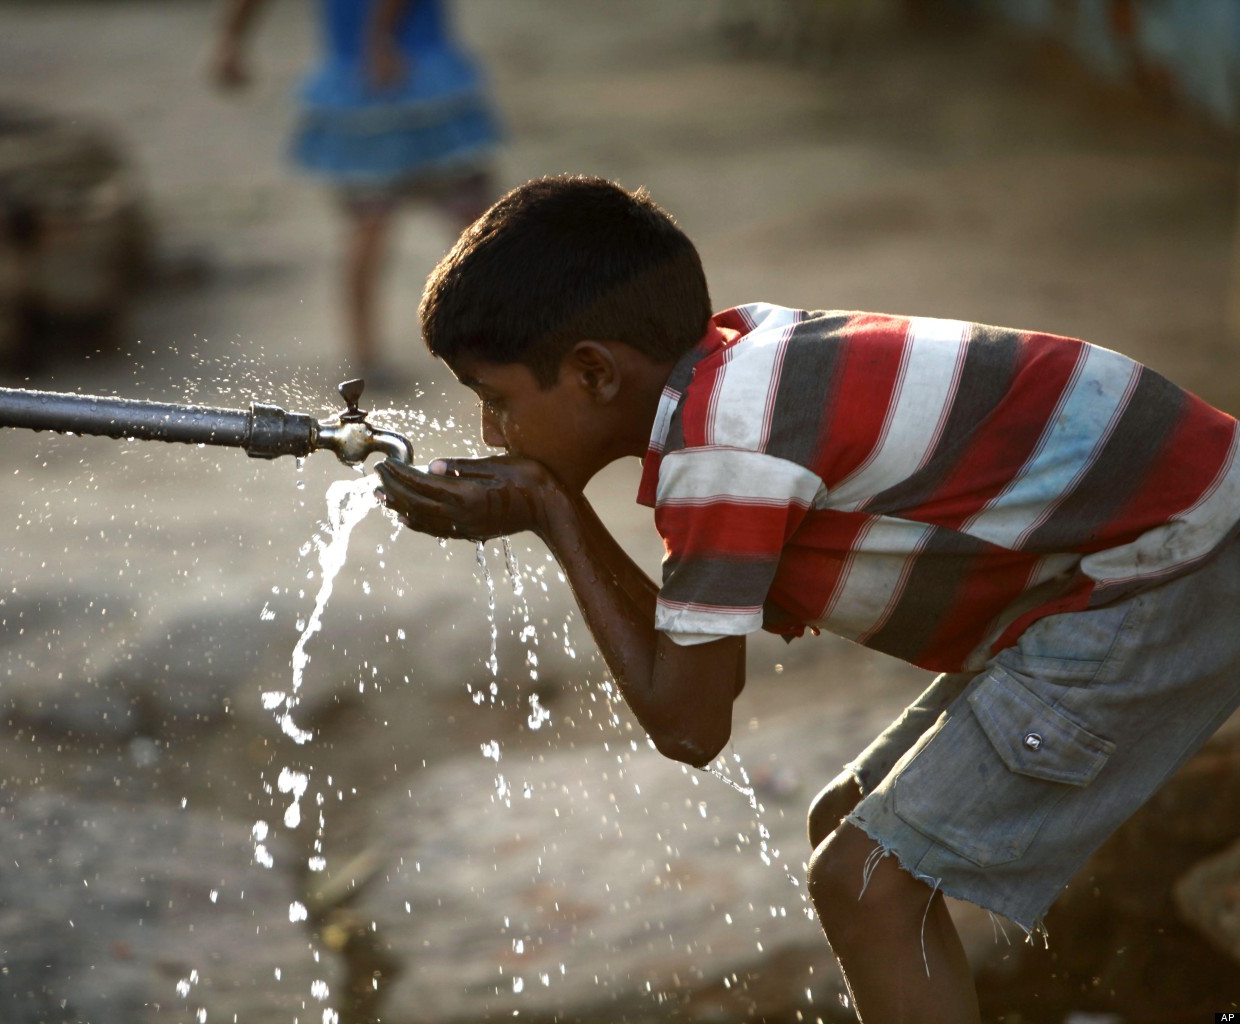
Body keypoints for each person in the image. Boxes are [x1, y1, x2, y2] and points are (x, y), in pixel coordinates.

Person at [373, 174, 1240, 1023]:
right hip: (1146, 547)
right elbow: (688, 661)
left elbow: (689, 723)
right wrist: (550, 508)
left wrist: (553, 515)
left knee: (866, 884)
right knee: (850, 831)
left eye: (496, 400)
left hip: (1175, 564)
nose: (492, 432)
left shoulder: (727, 448)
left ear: (596, 373)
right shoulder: (732, 369)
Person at [213, 0, 501, 386]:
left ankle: (369, 356)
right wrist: (379, 40)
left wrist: (231, 42)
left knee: (385, 225)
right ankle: (509, 340)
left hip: (367, 87)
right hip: (411, 80)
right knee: (474, 227)